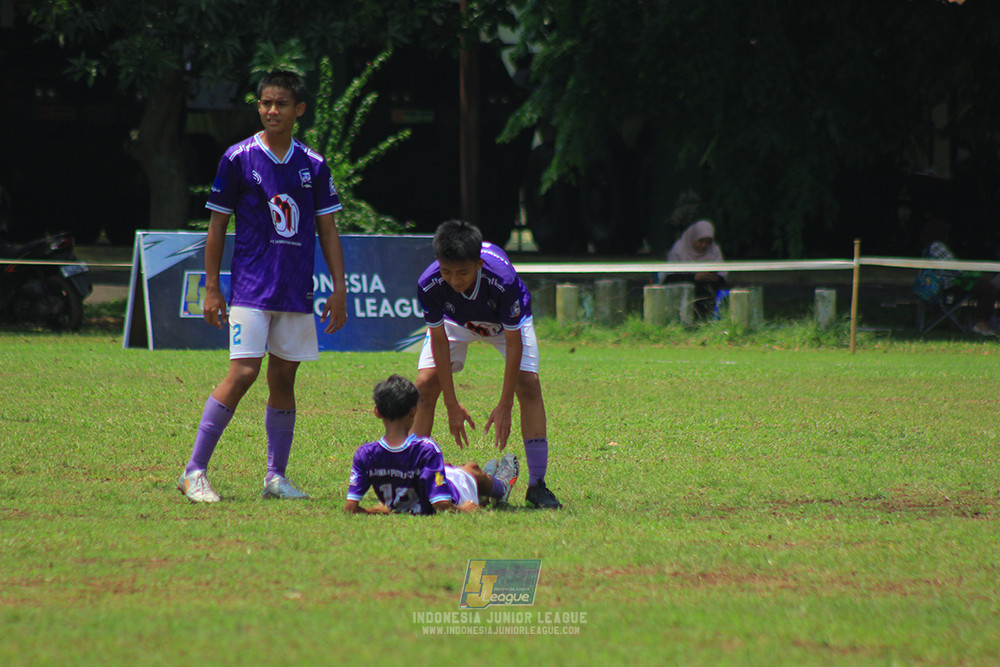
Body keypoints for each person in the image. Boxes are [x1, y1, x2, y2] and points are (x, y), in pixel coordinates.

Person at [176, 70, 348, 503]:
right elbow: (217, 225)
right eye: (265, 103)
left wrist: (339, 288)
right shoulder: (238, 157)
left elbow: (328, 230)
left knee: (284, 379)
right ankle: (193, 471)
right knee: (244, 372)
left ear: (299, 110)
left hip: (294, 291)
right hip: (251, 289)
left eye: (281, 104)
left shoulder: (314, 165)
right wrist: (212, 288)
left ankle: (275, 477)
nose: (272, 110)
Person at [413, 220, 562, 509]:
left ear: (479, 264)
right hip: (456, 323)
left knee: (528, 384)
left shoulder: (503, 281)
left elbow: (514, 341)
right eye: (447, 272)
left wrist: (505, 404)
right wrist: (451, 404)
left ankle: (538, 485)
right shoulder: (429, 284)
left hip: (502, 326)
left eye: (463, 272)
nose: (454, 280)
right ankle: (416, 478)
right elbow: (439, 340)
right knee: (424, 384)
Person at [345, 375, 520, 515]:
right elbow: (442, 504)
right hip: (455, 495)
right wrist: (465, 511)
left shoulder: (365, 454)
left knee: (448, 469)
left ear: (377, 412)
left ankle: (482, 490)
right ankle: (500, 488)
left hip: (410, 496)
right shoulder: (426, 449)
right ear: (414, 411)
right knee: (471, 469)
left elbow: (351, 508)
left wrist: (380, 511)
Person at [914, 217, 999, 335]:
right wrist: (971, 272)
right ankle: (982, 323)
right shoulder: (938, 246)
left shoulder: (931, 247)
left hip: (951, 282)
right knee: (987, 289)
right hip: (949, 284)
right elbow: (954, 267)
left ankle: (974, 322)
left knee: (985, 286)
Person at [660, 219, 728, 319]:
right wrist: (694, 277)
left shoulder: (714, 250)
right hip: (681, 287)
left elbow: (722, 275)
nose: (704, 245)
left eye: (708, 242)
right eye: (700, 241)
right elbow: (670, 277)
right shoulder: (679, 249)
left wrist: (715, 278)